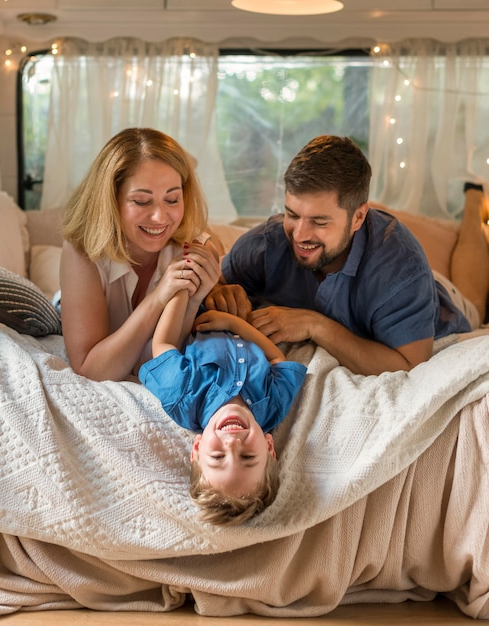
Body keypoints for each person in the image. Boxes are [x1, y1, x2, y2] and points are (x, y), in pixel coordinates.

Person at [205, 134, 489, 376]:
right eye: (293, 214)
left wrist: (313, 324)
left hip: (440, 298)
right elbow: (214, 281)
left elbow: (411, 365)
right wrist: (222, 291)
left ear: (358, 218)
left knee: (474, 301)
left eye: (319, 221)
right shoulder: (268, 241)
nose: (300, 234)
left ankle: (474, 199)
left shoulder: (402, 270)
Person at [59, 127, 220, 381]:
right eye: (142, 201)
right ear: (110, 200)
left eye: (172, 199)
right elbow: (90, 369)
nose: (159, 217)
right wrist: (158, 298)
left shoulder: (193, 247)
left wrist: (193, 300)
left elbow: (162, 357)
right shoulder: (82, 250)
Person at [138, 288, 307, 526]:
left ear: (196, 448)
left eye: (218, 456)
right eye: (247, 456)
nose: (232, 443)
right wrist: (234, 323)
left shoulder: (184, 397)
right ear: (269, 446)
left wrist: (183, 289)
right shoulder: (273, 406)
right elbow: (278, 359)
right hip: (245, 305)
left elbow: (163, 343)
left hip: (196, 302)